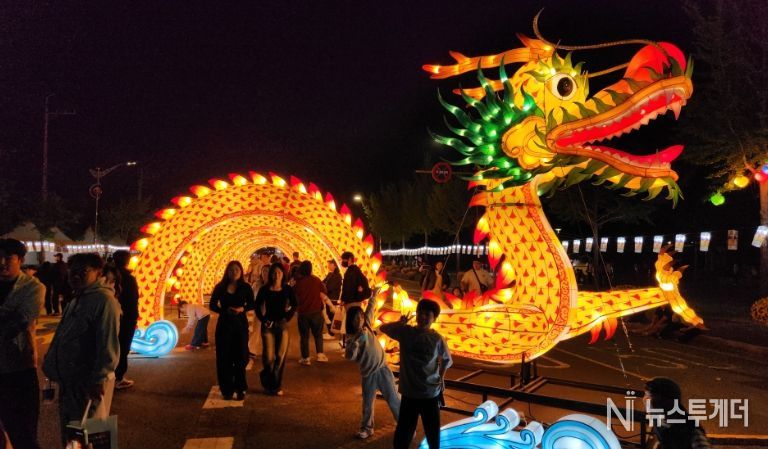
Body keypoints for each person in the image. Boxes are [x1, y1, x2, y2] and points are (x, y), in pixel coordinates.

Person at [43, 253, 121, 446]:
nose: (75, 276)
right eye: (72, 271)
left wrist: (99, 378)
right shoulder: (77, 298)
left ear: (98, 273)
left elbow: (108, 342)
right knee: (73, 433)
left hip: (86, 382)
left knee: (89, 433)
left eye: (82, 271)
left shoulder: (104, 301)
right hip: (69, 381)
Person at [380, 299, 452, 449]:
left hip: (430, 394)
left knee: (433, 435)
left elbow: (446, 359)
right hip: (409, 394)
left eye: (427, 314)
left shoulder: (437, 338)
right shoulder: (405, 332)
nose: (422, 317)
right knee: (403, 435)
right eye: (420, 313)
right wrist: (400, 323)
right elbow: (383, 328)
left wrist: (441, 378)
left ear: (434, 318)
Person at [0, 239, 45, 449]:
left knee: (23, 435)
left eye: (7, 257)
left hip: (18, 370)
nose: (1, 262)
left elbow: (20, 321)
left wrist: (9, 317)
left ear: (20, 259)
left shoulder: (33, 287)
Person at [344, 301, 400, 440]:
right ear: (350, 321)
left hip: (383, 370)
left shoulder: (367, 326)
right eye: (356, 318)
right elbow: (350, 357)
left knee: (393, 399)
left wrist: (373, 297)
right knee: (367, 403)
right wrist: (356, 345)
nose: (359, 320)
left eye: (360, 317)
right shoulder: (351, 338)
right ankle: (367, 428)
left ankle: (405, 425)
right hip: (368, 374)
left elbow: (369, 310)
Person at [209, 261, 255, 401]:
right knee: (224, 358)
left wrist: (242, 309)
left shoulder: (246, 287)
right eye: (231, 270)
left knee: (241, 357)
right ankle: (227, 389)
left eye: (236, 270)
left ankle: (240, 387)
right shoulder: (220, 287)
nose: (234, 272)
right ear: (227, 272)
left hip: (240, 325)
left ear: (241, 272)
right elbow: (212, 304)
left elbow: (252, 303)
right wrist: (224, 311)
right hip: (224, 325)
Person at [255, 263, 297, 396]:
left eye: (279, 272)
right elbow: (257, 305)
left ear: (283, 274)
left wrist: (287, 317)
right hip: (268, 325)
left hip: (282, 325)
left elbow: (295, 303)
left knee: (280, 356)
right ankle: (267, 378)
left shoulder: (287, 289)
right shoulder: (265, 289)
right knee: (268, 357)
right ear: (271, 275)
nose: (276, 275)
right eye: (274, 272)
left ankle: (275, 386)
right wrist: (263, 319)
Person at [644, 377, 711, 449]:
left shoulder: (691, 431)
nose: (645, 400)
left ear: (666, 402)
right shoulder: (658, 418)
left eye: (650, 396)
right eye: (645, 395)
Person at [293, 261, 333, 365]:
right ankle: (320, 355)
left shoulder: (299, 282)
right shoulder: (316, 280)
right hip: (316, 312)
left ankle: (306, 358)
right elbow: (324, 291)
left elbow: (294, 295)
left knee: (304, 336)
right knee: (318, 334)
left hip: (303, 313)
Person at [111, 250, 140, 390]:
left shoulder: (107, 276)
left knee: (111, 346)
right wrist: (134, 317)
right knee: (123, 347)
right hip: (126, 318)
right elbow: (133, 300)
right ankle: (118, 378)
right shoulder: (129, 278)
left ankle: (109, 376)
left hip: (112, 316)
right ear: (127, 261)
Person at [322, 260, 342, 338]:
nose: (328, 266)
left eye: (330, 264)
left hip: (333, 298)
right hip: (328, 297)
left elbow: (330, 287)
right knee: (328, 314)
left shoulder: (337, 276)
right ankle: (330, 332)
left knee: (331, 315)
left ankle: (332, 333)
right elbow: (323, 282)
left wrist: (324, 287)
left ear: (335, 265)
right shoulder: (330, 274)